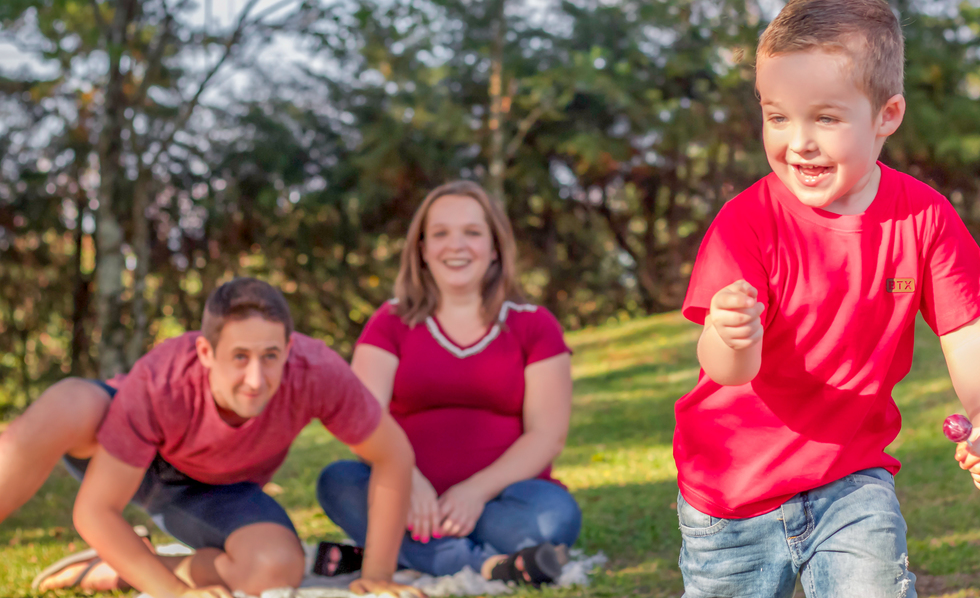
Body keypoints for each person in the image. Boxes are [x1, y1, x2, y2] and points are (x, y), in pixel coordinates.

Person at [673, 0, 980, 598]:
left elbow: (966, 330)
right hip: (731, 493)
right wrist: (730, 336)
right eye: (777, 116)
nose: (798, 141)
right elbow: (727, 370)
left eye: (825, 118)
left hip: (851, 478)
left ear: (887, 115)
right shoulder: (746, 223)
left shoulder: (922, 217)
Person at [0, 277, 424, 598]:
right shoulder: (161, 380)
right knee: (70, 403)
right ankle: (140, 564)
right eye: (239, 357)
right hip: (124, 453)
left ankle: (125, 566)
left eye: (270, 356)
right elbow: (94, 511)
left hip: (214, 489)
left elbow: (393, 455)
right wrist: (176, 595)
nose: (255, 379)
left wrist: (377, 576)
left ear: (289, 347)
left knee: (275, 567)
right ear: (206, 352)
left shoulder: (317, 373)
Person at [317, 180, 579, 586]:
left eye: (472, 232)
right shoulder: (389, 322)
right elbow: (362, 419)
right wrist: (409, 482)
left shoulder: (535, 325)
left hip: (499, 501)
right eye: (440, 233)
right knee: (338, 483)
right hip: (404, 496)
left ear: (495, 246)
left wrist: (474, 492)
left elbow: (547, 436)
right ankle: (491, 566)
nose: (456, 245)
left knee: (553, 518)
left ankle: (394, 551)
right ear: (422, 249)